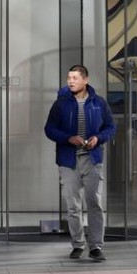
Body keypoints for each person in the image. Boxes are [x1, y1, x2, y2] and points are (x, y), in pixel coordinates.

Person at [44, 64, 116, 262]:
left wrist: (98, 138)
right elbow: (49, 129)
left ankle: (96, 247)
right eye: (69, 77)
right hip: (68, 161)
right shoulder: (60, 104)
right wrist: (68, 138)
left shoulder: (99, 103)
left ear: (85, 80)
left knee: (94, 203)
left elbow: (111, 127)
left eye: (75, 77)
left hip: (92, 160)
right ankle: (77, 244)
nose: (70, 81)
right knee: (73, 206)